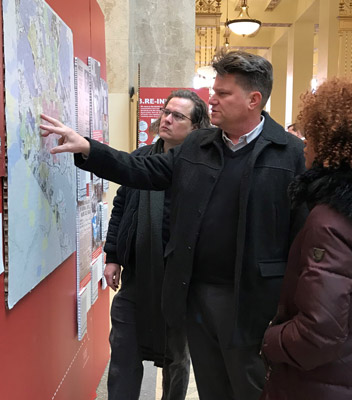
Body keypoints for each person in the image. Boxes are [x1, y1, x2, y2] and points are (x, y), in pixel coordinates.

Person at [40, 50, 307, 400]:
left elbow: (301, 233)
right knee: (211, 385)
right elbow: (143, 171)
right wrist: (89, 149)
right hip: (196, 295)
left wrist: (291, 307)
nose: (213, 98)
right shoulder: (199, 146)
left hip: (252, 300)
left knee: (250, 387)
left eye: (223, 93)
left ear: (253, 99)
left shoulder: (289, 153)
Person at [260, 75, 352, 400]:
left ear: (336, 142)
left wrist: (270, 340)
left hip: (322, 384)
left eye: (313, 135)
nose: (305, 144)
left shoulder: (332, 219)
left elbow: (318, 335)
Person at [104, 89, 211, 400]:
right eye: (165, 111)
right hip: (137, 278)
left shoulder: (201, 171)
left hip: (181, 284)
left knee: (177, 360)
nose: (166, 119)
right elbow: (121, 208)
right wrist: (113, 256)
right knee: (123, 355)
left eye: (177, 116)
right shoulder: (139, 161)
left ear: (195, 127)